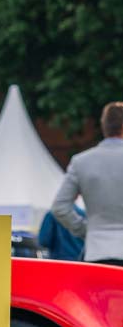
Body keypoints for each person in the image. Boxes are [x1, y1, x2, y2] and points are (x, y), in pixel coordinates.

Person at [50, 102, 123, 265]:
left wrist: (85, 230)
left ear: (104, 126)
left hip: (97, 250)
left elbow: (59, 207)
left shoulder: (81, 161)